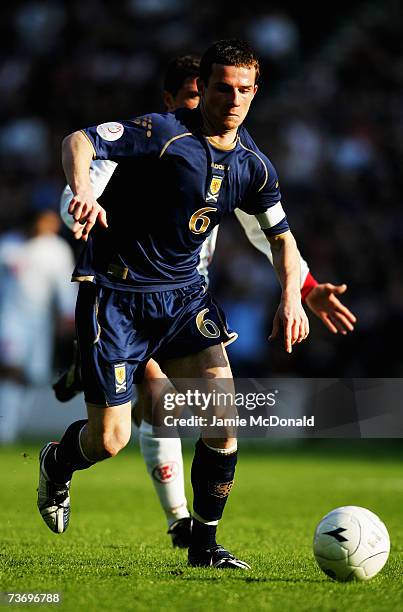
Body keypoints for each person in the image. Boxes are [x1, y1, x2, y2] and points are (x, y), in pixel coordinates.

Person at [54, 54, 357, 548]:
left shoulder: (247, 161)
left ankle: (197, 535)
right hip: (120, 293)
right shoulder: (154, 137)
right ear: (176, 99)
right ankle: (71, 448)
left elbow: (272, 234)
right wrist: (82, 197)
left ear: (254, 92)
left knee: (216, 411)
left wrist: (300, 290)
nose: (222, 103)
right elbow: (84, 161)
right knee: (120, 432)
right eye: (207, 93)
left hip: (183, 296)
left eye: (240, 90)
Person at [0, 208, 76, 443]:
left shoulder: (57, 250)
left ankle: (15, 424)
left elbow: (65, 286)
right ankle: (5, 431)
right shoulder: (9, 245)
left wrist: (67, 316)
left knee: (35, 375)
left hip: (40, 322)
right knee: (11, 370)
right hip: (10, 318)